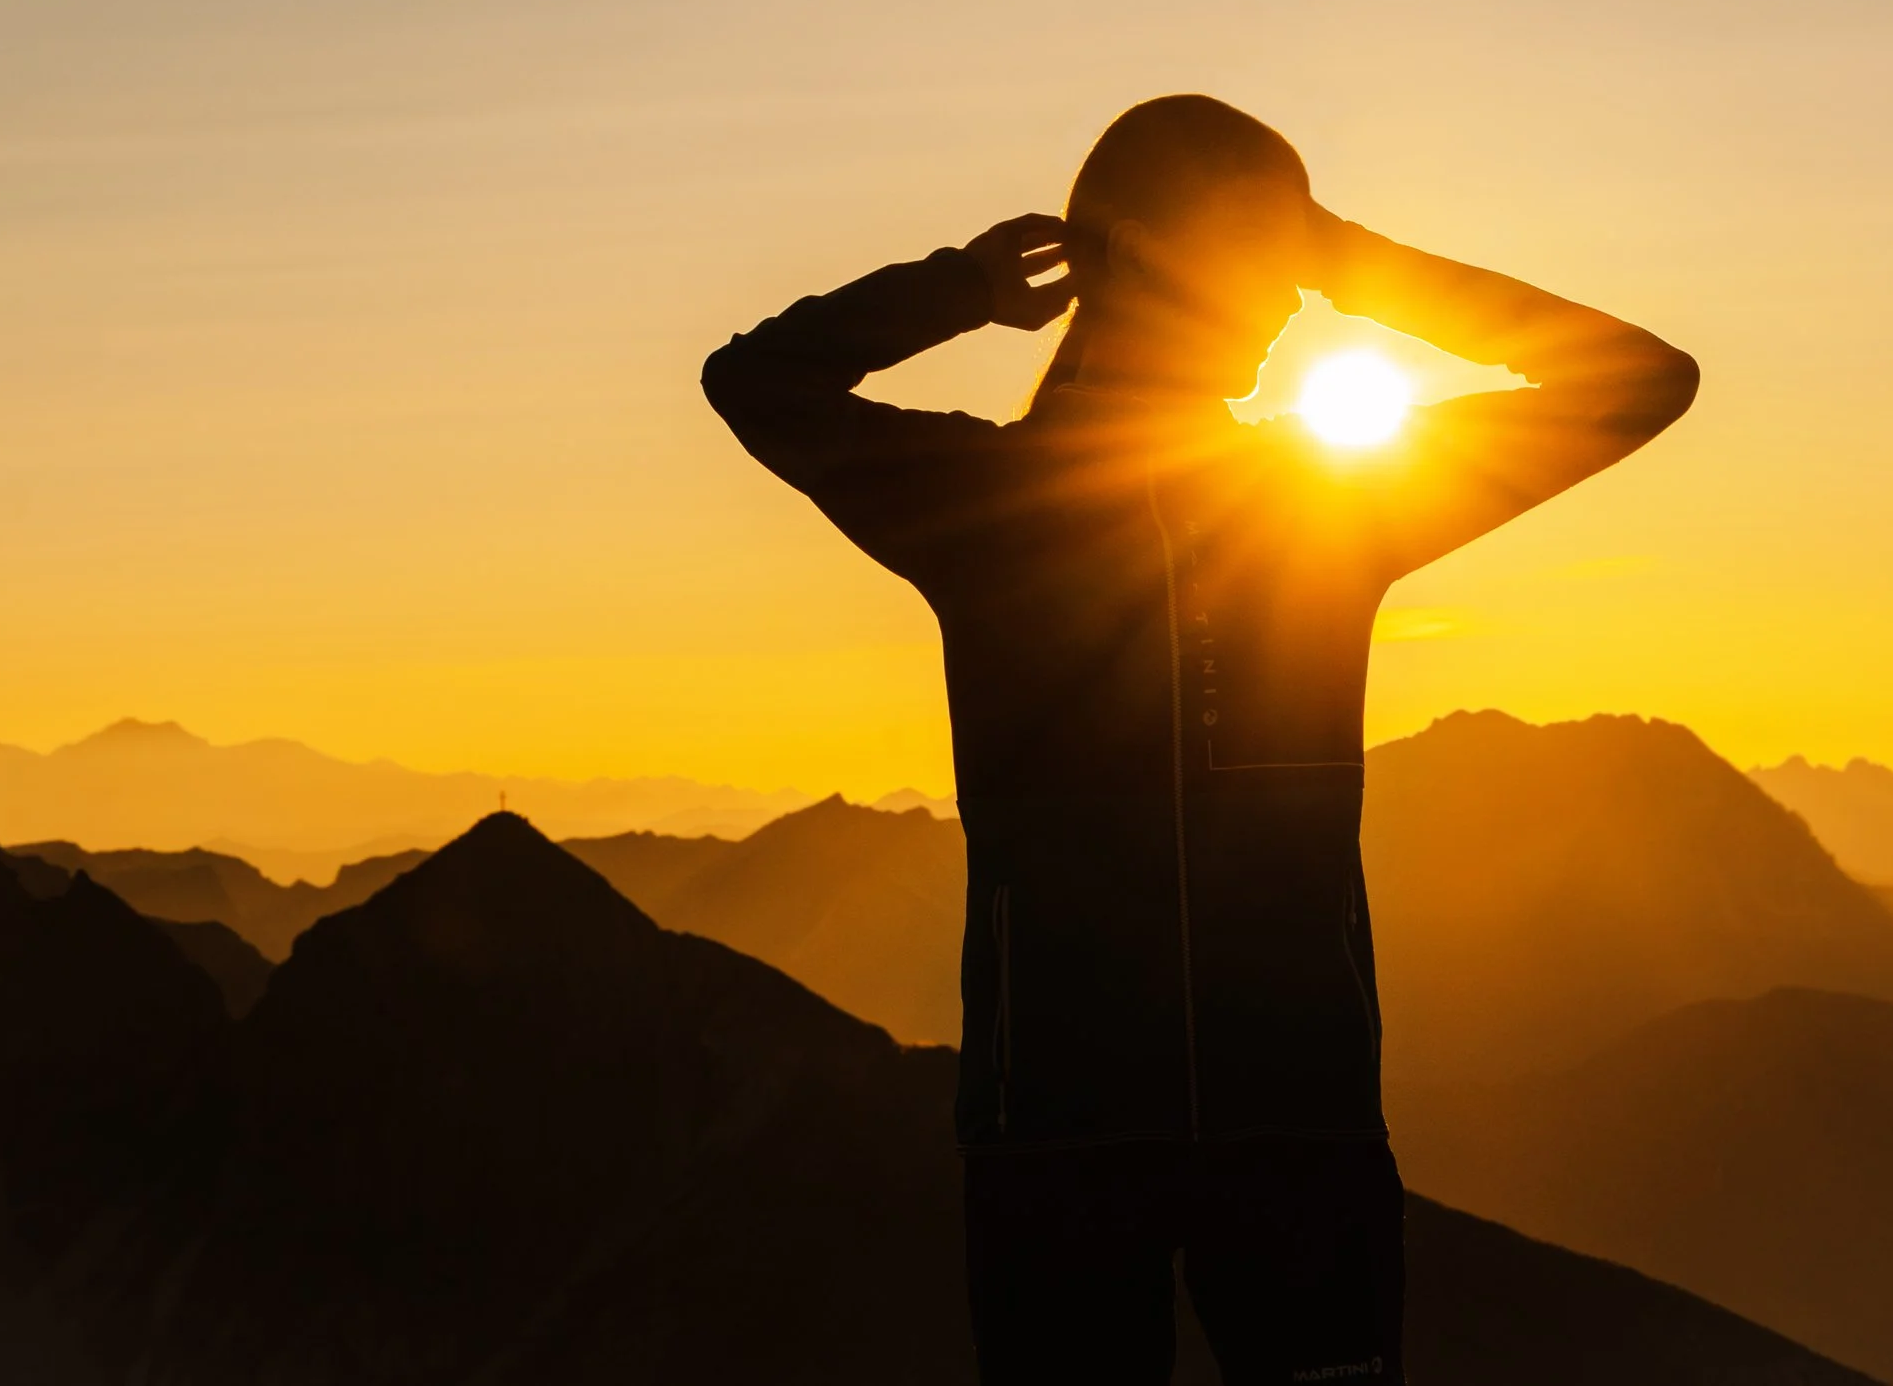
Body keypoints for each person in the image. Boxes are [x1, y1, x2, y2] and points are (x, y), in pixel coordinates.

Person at [702, 95, 1698, 1384]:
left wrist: (1347, 258)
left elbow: (1648, 380)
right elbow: (749, 382)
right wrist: (958, 288)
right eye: (1260, 255)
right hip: (1083, 1136)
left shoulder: (1316, 502)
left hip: (1273, 1127)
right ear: (1129, 254)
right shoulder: (1007, 505)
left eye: (1301, 263)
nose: (1289, 299)